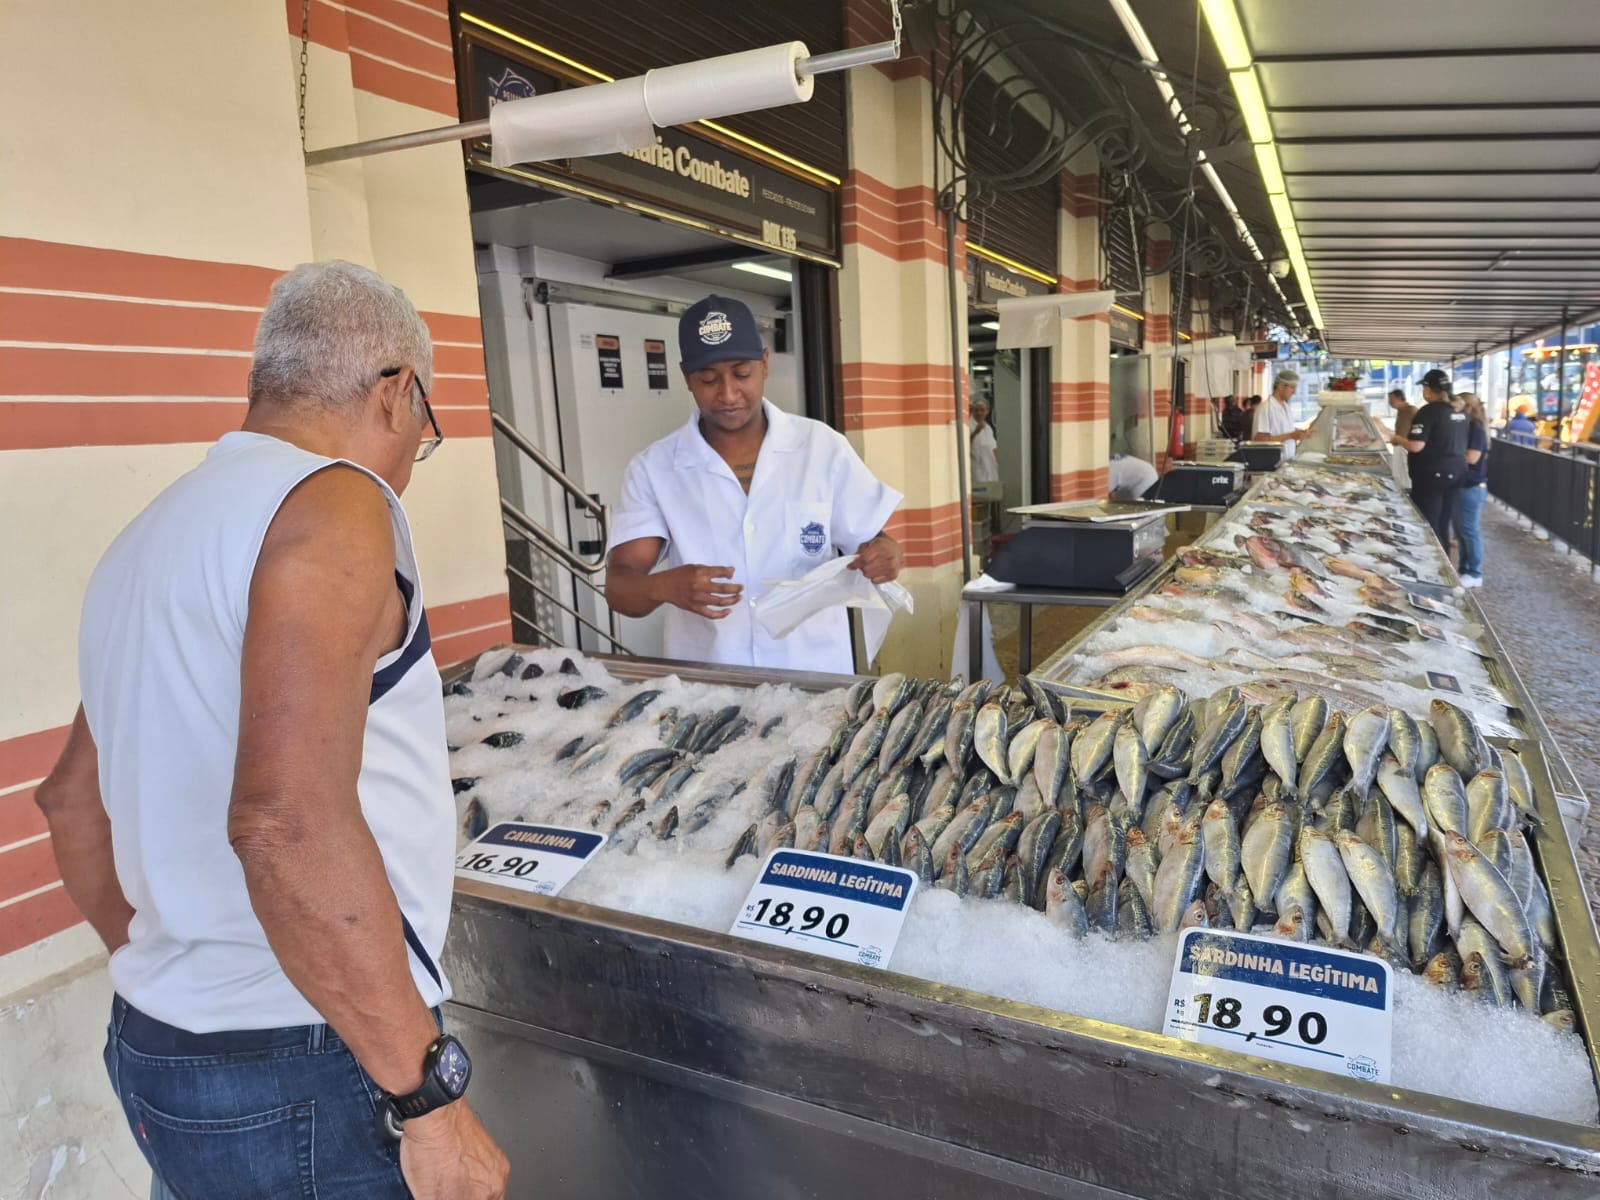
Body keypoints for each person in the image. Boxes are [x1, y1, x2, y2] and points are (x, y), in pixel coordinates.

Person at [32, 262, 509, 1200]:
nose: (415, 451)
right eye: (426, 427)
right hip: (309, 1060)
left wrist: (187, 971)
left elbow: (69, 802)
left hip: (159, 1051)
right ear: (395, 391)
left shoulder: (147, 537)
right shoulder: (336, 503)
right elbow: (284, 826)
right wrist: (430, 1102)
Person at [606, 295, 904, 674]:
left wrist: (888, 553)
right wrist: (663, 587)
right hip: (711, 687)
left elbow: (875, 540)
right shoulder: (654, 468)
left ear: (764, 363)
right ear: (686, 377)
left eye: (741, 373)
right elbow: (619, 586)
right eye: (708, 379)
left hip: (816, 678)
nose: (728, 394)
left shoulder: (821, 447)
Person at [1399, 367, 1470, 546]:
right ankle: (1445, 565)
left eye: (1424, 388)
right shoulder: (1460, 411)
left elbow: (1416, 445)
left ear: (1429, 389)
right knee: (1442, 523)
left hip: (1432, 476)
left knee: (1427, 526)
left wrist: (1398, 439)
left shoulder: (1429, 411)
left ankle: (1433, 569)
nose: (1423, 392)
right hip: (1457, 472)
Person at [1454, 392, 1489, 588]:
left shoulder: (1475, 428)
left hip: (1472, 486)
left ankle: (1475, 572)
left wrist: (1448, 453)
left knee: (1469, 530)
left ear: (1468, 408)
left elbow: (1472, 457)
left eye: (1457, 406)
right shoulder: (1467, 427)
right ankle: (1464, 569)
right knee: (1461, 531)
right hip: (1463, 485)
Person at [1253, 369, 1313, 458]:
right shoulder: (1265, 408)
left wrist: (1300, 433)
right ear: (1280, 386)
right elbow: (1260, 440)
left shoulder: (1286, 406)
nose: (1294, 392)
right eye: (1292, 387)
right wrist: (1291, 435)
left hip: (1286, 460)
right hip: (1271, 462)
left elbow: (1284, 430)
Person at [969, 399, 1000, 484]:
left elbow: (993, 447)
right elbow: (964, 444)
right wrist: (975, 432)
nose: (979, 412)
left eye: (982, 410)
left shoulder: (988, 427)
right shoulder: (969, 425)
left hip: (991, 465)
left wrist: (1000, 463)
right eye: (976, 410)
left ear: (987, 411)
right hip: (977, 466)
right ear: (972, 412)